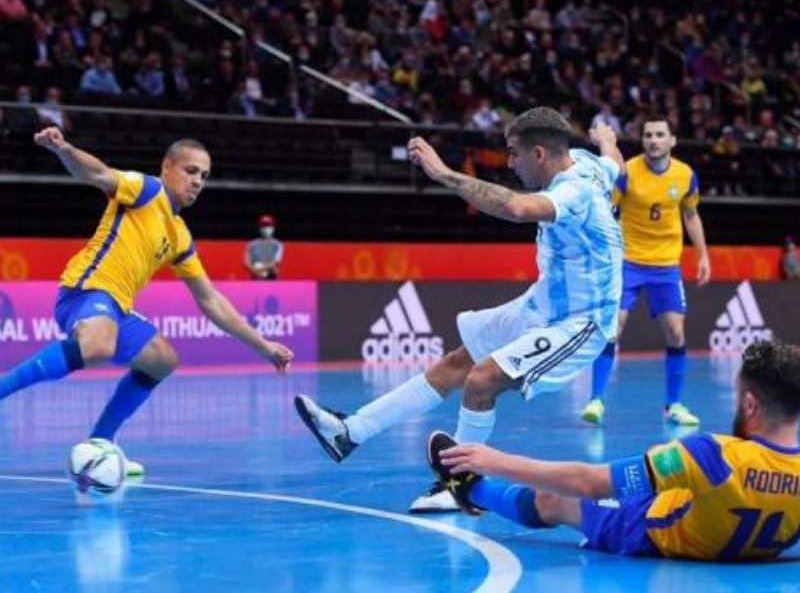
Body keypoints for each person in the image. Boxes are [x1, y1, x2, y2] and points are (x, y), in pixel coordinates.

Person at [294, 107, 625, 513]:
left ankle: (461, 484)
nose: (510, 163)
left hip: (580, 320)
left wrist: (444, 174)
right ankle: (349, 432)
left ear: (539, 153)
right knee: (456, 364)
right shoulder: (592, 164)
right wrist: (607, 139)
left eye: (514, 153)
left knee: (481, 379)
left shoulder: (574, 191)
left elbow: (518, 209)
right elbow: (614, 164)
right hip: (544, 302)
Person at [0, 127, 294, 477]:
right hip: (85, 290)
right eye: (191, 171)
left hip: (116, 308)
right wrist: (64, 149)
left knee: (162, 360)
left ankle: (100, 443)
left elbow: (210, 300)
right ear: (167, 166)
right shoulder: (145, 189)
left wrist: (263, 347)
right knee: (98, 345)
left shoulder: (180, 235)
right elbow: (97, 173)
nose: (198, 181)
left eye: (204, 176)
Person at [428, 339, 800, 561]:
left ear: (750, 405)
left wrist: (496, 460)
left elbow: (591, 482)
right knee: (664, 465)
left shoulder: (712, 454)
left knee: (552, 499)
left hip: (649, 529)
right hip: (720, 524)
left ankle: (470, 488)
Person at [582, 115, 711, 427]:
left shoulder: (685, 175)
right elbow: (606, 209)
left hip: (666, 265)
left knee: (676, 332)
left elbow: (691, 215)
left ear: (671, 141)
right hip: (627, 261)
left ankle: (674, 406)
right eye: (648, 135)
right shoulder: (628, 172)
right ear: (643, 141)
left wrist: (703, 255)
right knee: (614, 328)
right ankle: (596, 400)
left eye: (659, 134)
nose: (654, 139)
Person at [244, 214, 283, 280]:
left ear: (272, 227)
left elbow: (276, 262)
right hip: (256, 278)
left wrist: (261, 269)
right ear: (259, 227)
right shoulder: (252, 244)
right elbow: (246, 262)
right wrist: (255, 271)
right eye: (263, 225)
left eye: (268, 225)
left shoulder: (277, 244)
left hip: (272, 278)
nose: (266, 228)